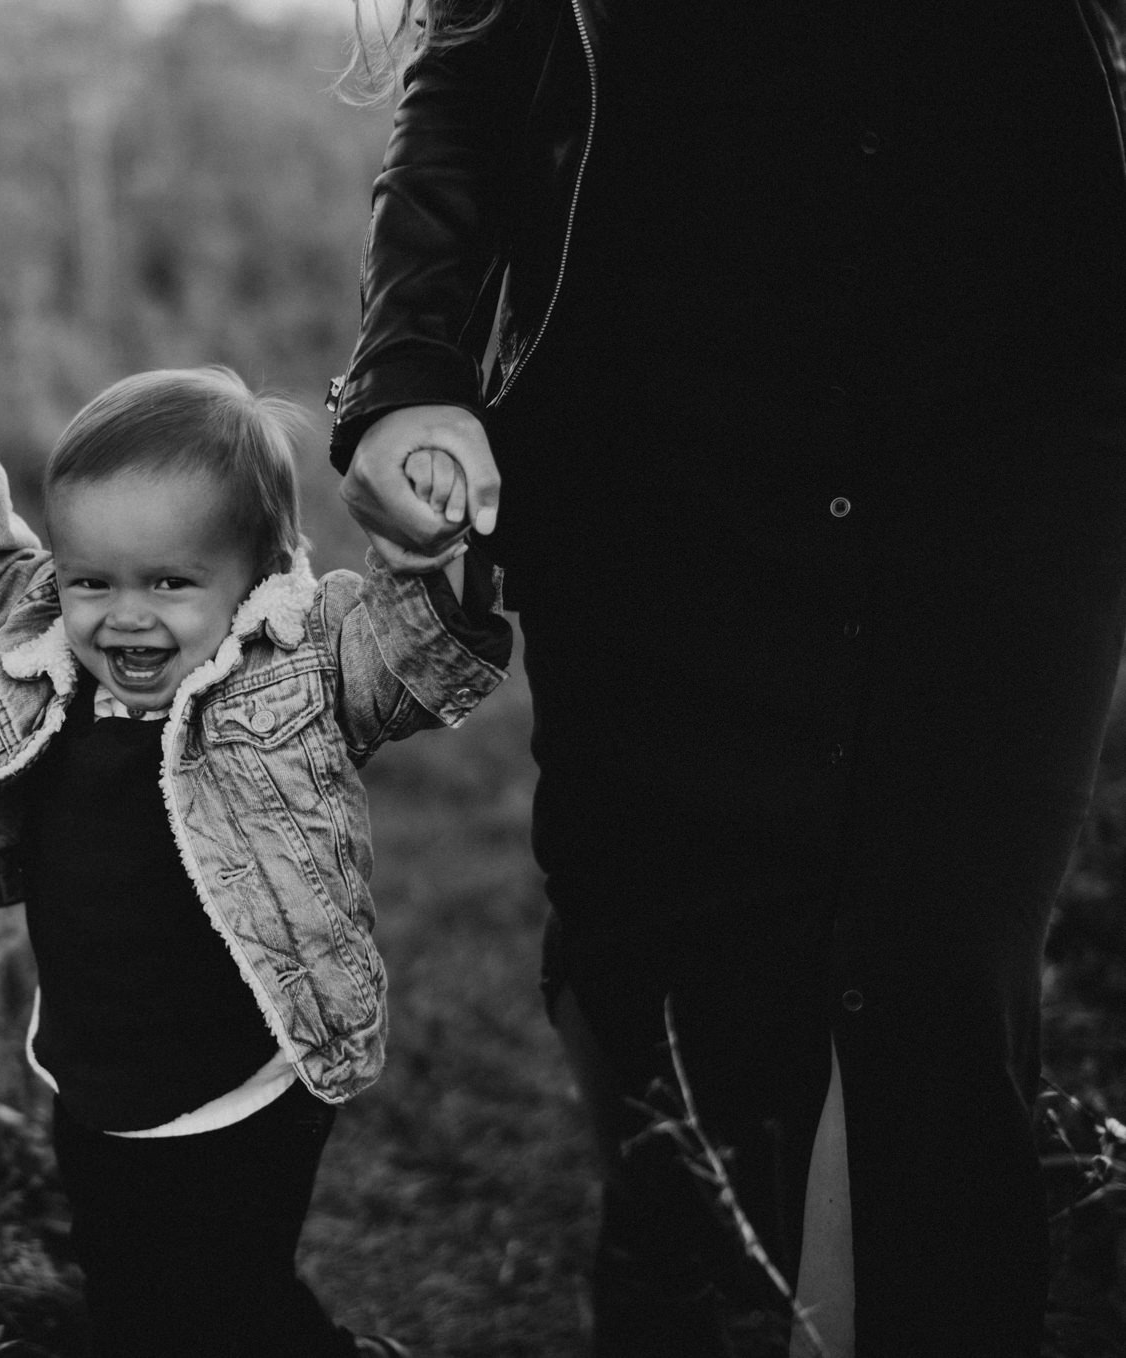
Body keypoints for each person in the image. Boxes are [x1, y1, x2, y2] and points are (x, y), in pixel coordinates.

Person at [330, 1, 1126, 1354]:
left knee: (935, 974)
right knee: (673, 980)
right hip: (655, 447)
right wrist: (412, 367)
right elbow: (475, 67)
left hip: (1004, 449)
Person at [0, 366, 512, 1357]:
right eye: (93, 579)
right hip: (95, 1079)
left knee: (230, 1303)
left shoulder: (299, 662)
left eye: (171, 582)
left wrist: (434, 551)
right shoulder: (38, 651)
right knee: (129, 1294)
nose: (124, 615)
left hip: (250, 1080)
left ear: (258, 575)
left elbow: (400, 656)